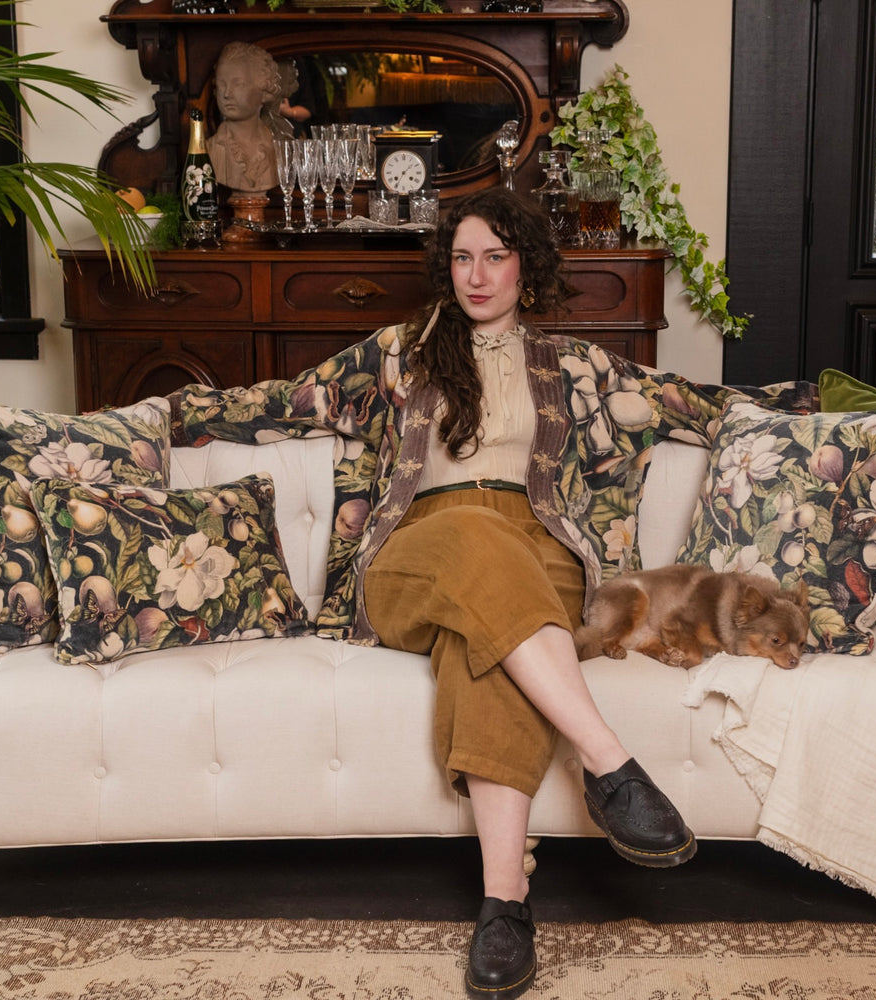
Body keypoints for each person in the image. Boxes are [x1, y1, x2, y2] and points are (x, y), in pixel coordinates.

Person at [170, 188, 697, 1000]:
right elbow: (279, 401)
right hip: (417, 552)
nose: (476, 276)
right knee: (472, 538)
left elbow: (692, 405)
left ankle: (504, 906)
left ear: (526, 266)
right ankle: (611, 763)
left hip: (539, 554)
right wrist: (150, 418)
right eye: (461, 258)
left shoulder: (574, 365)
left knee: (481, 643)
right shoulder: (399, 352)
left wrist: (816, 412)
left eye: (495, 257)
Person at [207, 41, 287, 194]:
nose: (227, 94)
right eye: (221, 84)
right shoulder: (208, 151)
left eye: (238, 84)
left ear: (264, 90)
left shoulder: (280, 149)